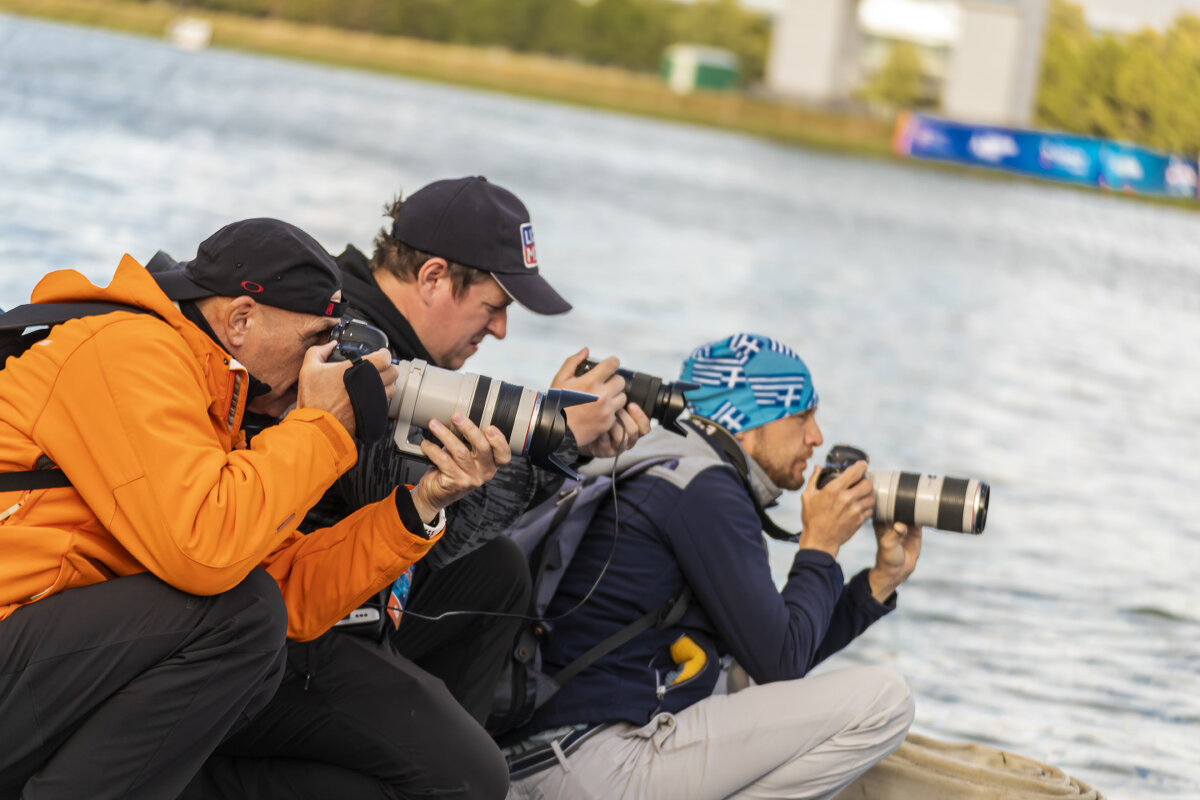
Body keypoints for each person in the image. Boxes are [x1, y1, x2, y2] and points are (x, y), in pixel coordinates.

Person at [0, 218, 509, 800]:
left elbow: (285, 587)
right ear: (241, 320)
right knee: (240, 620)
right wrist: (320, 427)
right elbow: (205, 551)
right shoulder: (127, 350)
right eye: (316, 338)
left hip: (44, 658)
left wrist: (422, 504)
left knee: (260, 635)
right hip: (16, 633)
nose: (323, 358)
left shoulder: (219, 396)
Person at [504, 332, 923, 800]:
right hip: (592, 761)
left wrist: (878, 584)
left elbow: (769, 654)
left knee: (729, 677)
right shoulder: (705, 488)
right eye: (802, 415)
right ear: (746, 420)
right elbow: (781, 663)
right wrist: (820, 545)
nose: (816, 437)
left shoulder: (658, 458)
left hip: (541, 755)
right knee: (886, 701)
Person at [302, 175, 652, 726]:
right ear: (434, 277)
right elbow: (413, 519)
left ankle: (447, 742)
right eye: (495, 305)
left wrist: (568, 445)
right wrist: (554, 433)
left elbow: (454, 532)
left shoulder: (393, 340)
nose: (502, 329)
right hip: (294, 619)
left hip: (332, 589)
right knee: (471, 774)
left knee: (498, 569)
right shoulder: (351, 342)